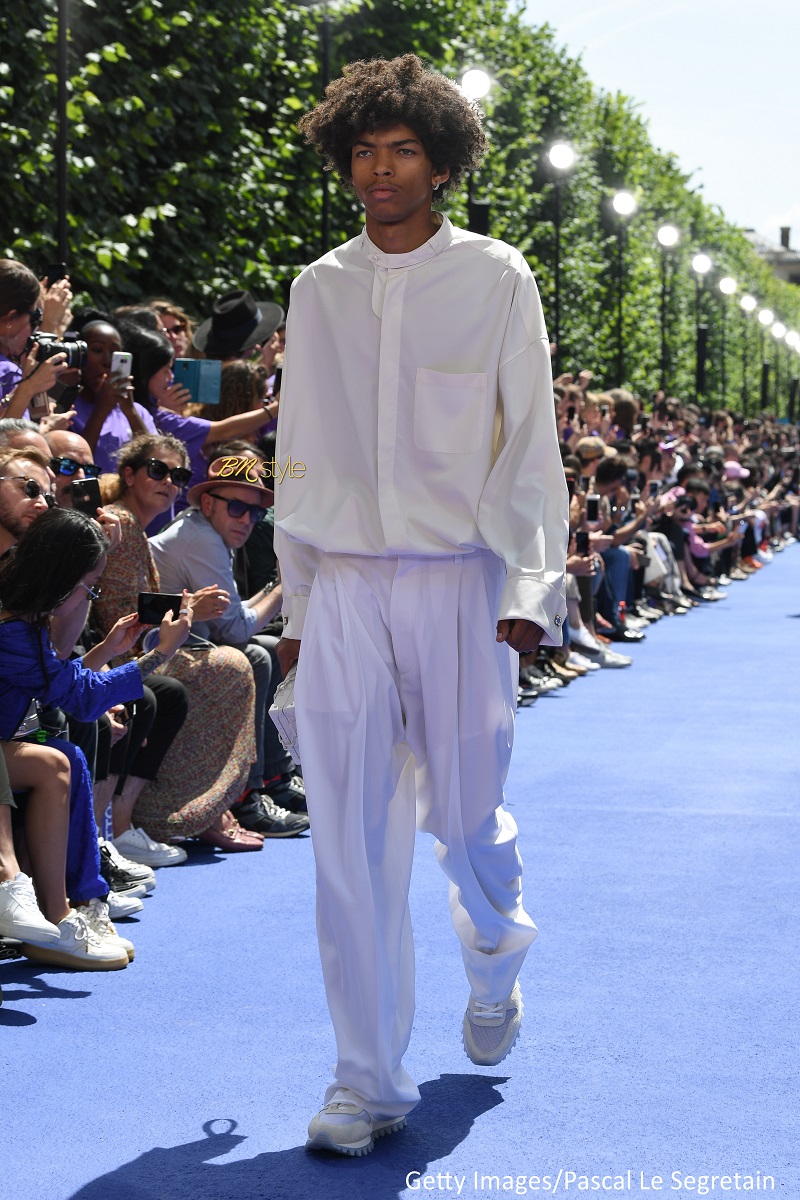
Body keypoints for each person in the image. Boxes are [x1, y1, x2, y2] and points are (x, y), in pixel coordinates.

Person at [274, 54, 568, 1155]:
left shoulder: (496, 276)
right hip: (344, 584)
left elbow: (529, 439)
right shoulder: (317, 288)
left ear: (441, 164)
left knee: (461, 820)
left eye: (401, 150)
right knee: (345, 845)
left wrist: (531, 584)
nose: (379, 169)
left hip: (460, 580)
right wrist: (297, 604)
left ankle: (496, 950)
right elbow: (299, 450)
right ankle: (362, 1082)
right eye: (363, 150)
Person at [0, 505, 192, 968]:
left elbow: (58, 683)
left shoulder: (20, 615)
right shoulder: (12, 630)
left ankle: (77, 901)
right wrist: (160, 653)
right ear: (62, 576)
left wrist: (109, 649)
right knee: (57, 761)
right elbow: (80, 698)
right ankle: (60, 910)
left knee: (68, 755)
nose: (91, 595)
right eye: (91, 586)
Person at [92, 433, 260, 850]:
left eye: (179, 474)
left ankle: (200, 807)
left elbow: (130, 605)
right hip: (120, 656)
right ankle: (178, 811)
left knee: (237, 661)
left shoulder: (136, 525)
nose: (169, 481)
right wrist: (189, 611)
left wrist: (184, 609)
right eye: (157, 470)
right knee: (234, 664)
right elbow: (117, 614)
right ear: (129, 475)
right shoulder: (124, 523)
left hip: (137, 650)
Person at [149, 457, 309, 835]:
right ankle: (246, 795)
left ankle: (274, 777)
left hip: (190, 643)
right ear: (208, 504)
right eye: (237, 507)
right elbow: (235, 629)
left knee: (267, 646)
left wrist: (274, 589)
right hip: (159, 651)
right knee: (257, 653)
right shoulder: (201, 539)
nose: (247, 519)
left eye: (254, 512)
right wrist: (283, 586)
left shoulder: (210, 531)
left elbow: (232, 616)